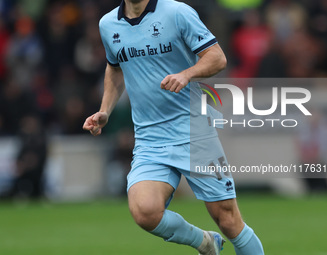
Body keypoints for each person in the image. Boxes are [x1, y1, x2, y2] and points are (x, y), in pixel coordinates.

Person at [83, 0, 264, 254]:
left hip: (194, 132)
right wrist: (104, 111)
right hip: (149, 138)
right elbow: (115, 69)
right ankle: (205, 243)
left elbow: (217, 58)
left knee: (228, 220)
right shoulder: (108, 24)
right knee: (144, 211)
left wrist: (187, 74)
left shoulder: (177, 12)